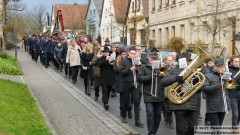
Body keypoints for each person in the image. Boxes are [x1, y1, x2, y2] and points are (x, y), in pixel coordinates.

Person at [160, 52, 199, 135]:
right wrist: (175, 78)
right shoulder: (173, 71)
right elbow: (163, 82)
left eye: (190, 61)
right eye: (187, 61)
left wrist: (197, 82)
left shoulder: (194, 71)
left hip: (192, 103)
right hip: (178, 104)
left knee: (193, 128)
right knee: (181, 129)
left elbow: (200, 89)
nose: (189, 62)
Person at [138, 52, 165, 135]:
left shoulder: (161, 68)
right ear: (148, 58)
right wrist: (151, 76)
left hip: (159, 94)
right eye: (151, 58)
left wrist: (161, 70)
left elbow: (165, 80)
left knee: (158, 116)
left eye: (155, 58)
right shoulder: (143, 67)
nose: (153, 60)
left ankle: (154, 131)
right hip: (148, 94)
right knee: (150, 114)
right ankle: (151, 132)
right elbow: (140, 78)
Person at [201, 59, 230, 126]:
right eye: (218, 66)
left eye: (222, 66)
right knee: (217, 129)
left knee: (218, 126)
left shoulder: (226, 76)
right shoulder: (208, 76)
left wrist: (226, 78)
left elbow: (231, 88)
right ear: (214, 67)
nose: (221, 68)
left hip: (223, 105)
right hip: (213, 106)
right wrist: (215, 87)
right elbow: (204, 88)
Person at [120, 47, 144, 127]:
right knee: (126, 101)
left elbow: (141, 72)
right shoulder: (124, 61)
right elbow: (122, 72)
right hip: (127, 83)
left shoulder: (137, 61)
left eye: (134, 53)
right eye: (131, 53)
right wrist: (129, 69)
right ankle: (123, 115)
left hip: (136, 84)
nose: (133, 55)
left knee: (137, 102)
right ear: (128, 53)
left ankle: (137, 120)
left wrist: (138, 68)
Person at [113, 48, 133, 118]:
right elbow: (115, 69)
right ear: (120, 55)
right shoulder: (118, 61)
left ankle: (129, 110)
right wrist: (121, 69)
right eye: (122, 54)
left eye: (125, 54)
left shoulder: (128, 60)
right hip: (120, 80)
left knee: (129, 97)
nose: (124, 55)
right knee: (122, 96)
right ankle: (122, 110)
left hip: (127, 80)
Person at [161, 55, 175, 129]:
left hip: (172, 89)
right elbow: (163, 78)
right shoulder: (163, 68)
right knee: (164, 106)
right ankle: (166, 117)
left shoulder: (174, 67)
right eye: (169, 60)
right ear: (165, 61)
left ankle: (171, 121)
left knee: (170, 106)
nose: (170, 62)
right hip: (164, 89)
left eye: (171, 60)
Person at [201, 57, 214, 125]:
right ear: (209, 62)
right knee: (209, 106)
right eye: (212, 61)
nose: (213, 63)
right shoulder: (205, 69)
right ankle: (207, 119)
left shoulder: (212, 68)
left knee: (211, 106)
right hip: (207, 89)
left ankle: (210, 119)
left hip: (212, 89)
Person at [228, 55, 240, 126]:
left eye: (238, 61)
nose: (237, 63)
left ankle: (235, 127)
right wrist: (237, 78)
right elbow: (229, 83)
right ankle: (234, 130)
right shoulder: (228, 70)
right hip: (232, 95)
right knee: (235, 114)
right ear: (231, 62)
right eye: (236, 61)